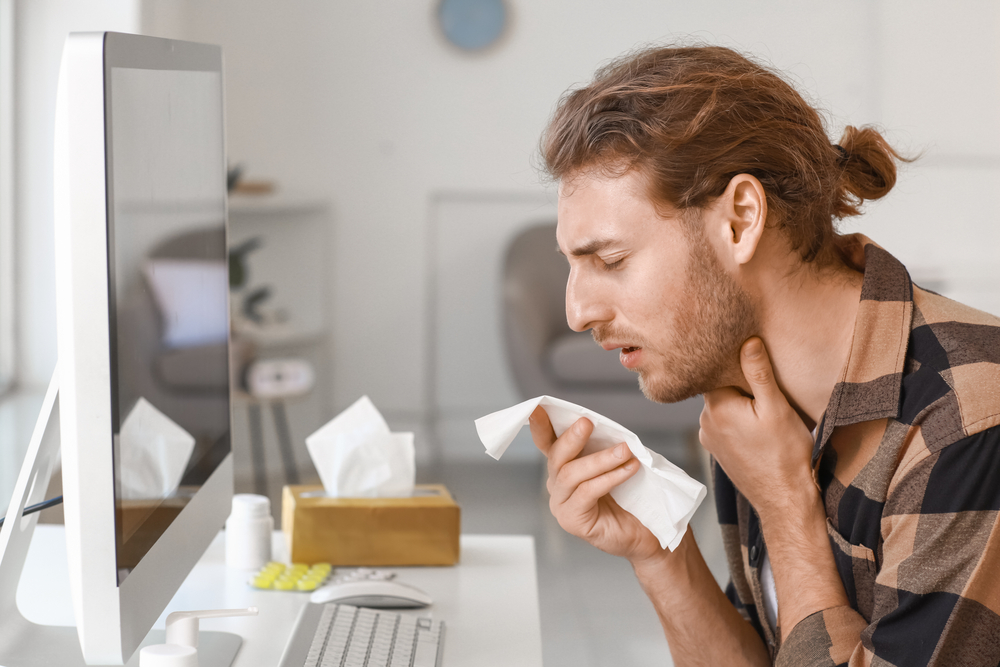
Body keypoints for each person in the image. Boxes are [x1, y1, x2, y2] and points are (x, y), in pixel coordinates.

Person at [529, 44, 1000, 666]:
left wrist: (784, 507)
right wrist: (660, 555)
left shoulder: (968, 420)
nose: (577, 312)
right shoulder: (754, 408)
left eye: (611, 260)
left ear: (740, 219)